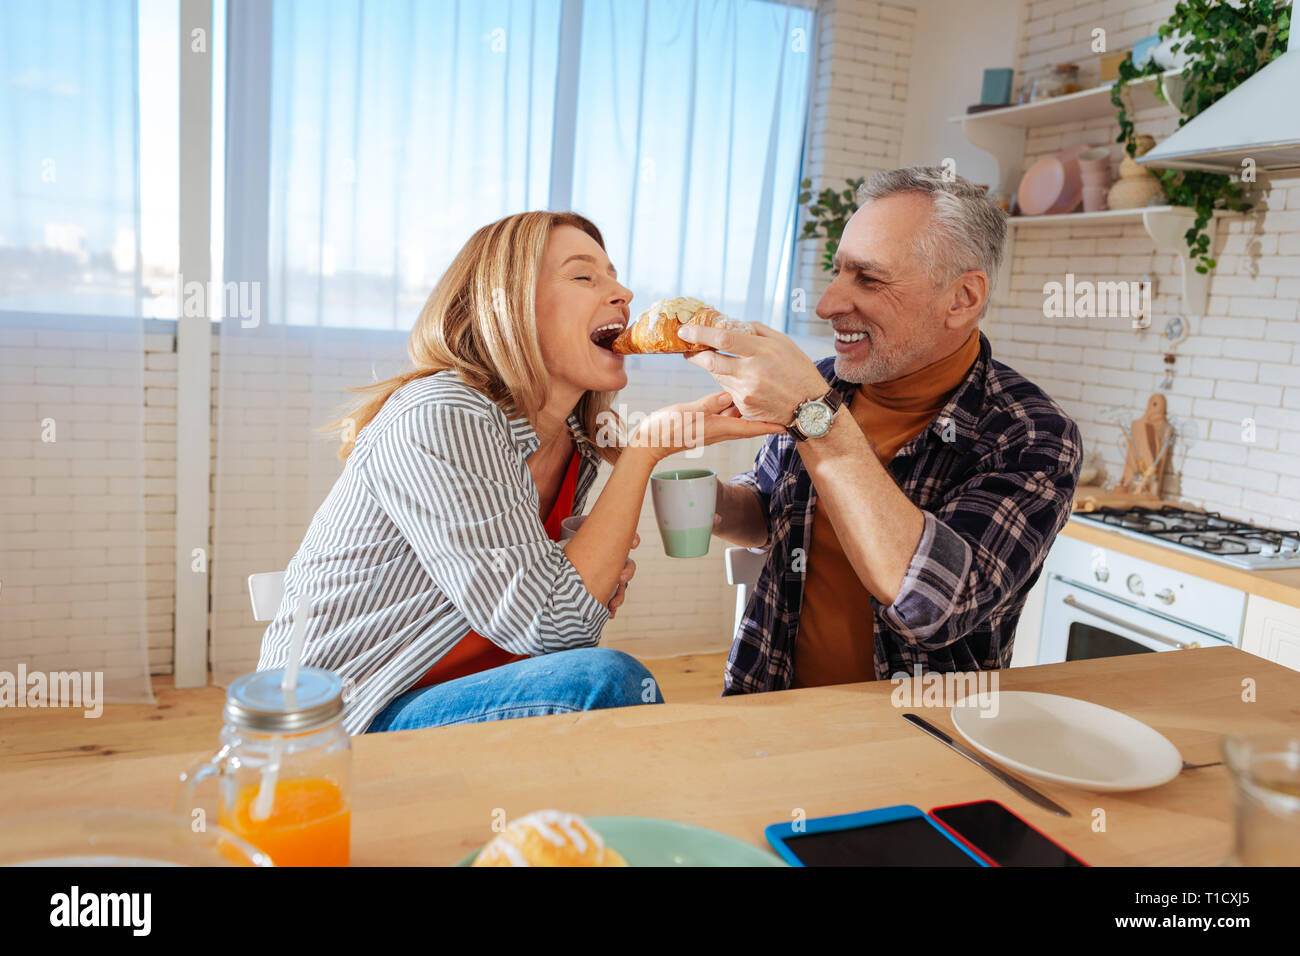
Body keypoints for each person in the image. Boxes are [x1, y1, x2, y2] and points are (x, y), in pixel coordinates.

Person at [257, 211, 782, 733]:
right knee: (605, 684)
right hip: (347, 715)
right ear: (507, 307)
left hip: (468, 691)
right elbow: (555, 624)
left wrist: (580, 577)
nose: (623, 292)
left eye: (615, 275)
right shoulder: (443, 412)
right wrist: (647, 449)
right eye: (584, 275)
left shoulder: (576, 442)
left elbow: (555, 622)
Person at [678, 166, 1082, 692]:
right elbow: (768, 510)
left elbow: (932, 604)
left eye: (868, 279)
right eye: (838, 271)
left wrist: (812, 415)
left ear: (961, 298)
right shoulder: (828, 383)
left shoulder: (1030, 434)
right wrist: (692, 493)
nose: (827, 305)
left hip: (918, 742)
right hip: (766, 704)